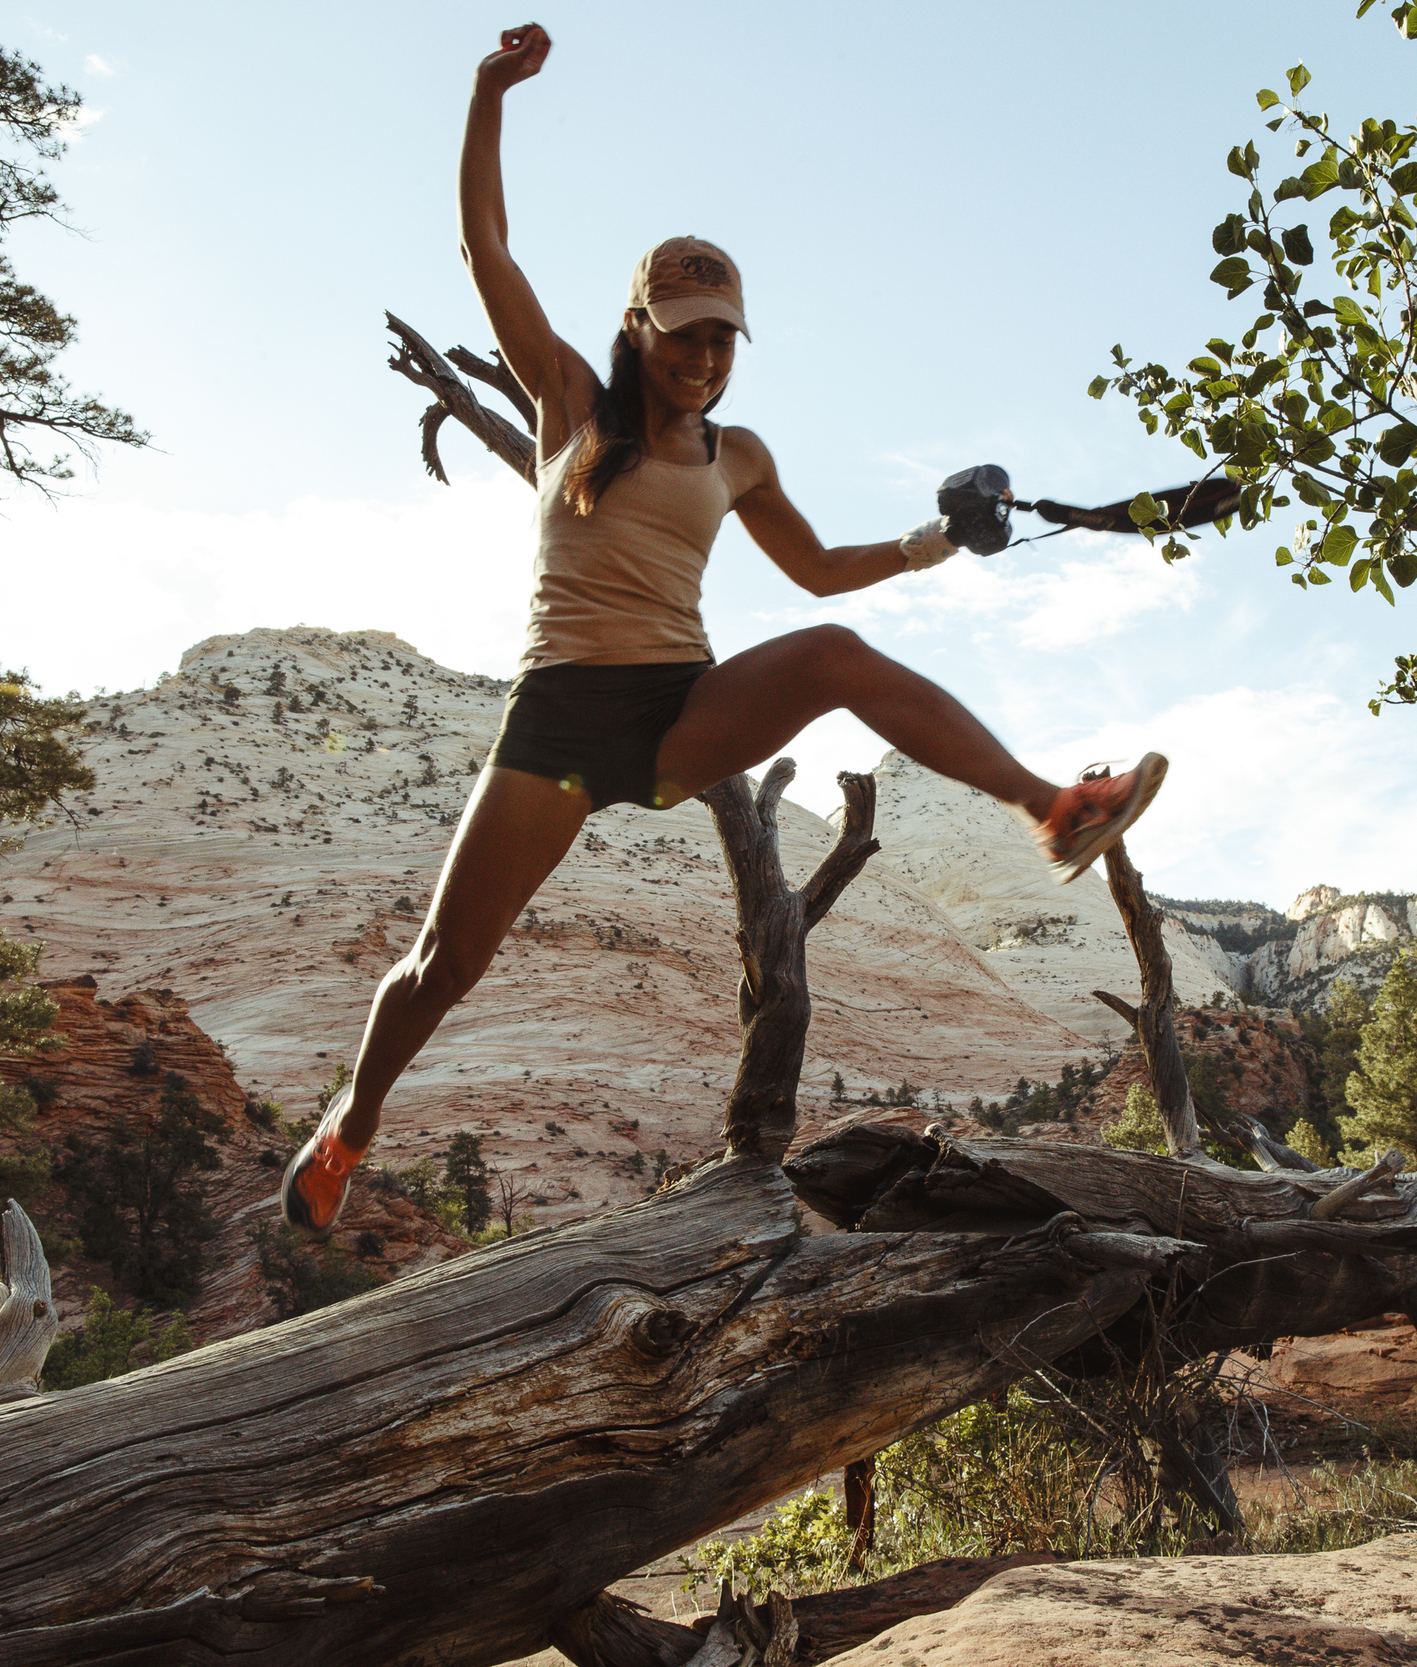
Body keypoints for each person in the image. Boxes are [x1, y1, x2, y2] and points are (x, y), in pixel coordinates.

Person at [281, 21, 1167, 1232]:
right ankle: (350, 1128)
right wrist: (488, 96)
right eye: (684, 328)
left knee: (834, 659)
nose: (704, 354)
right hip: (557, 718)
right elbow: (482, 243)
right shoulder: (570, 401)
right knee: (444, 962)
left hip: (678, 709)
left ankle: (1051, 807)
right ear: (639, 325)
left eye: (721, 335)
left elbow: (813, 571)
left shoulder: (739, 455)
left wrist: (933, 538)